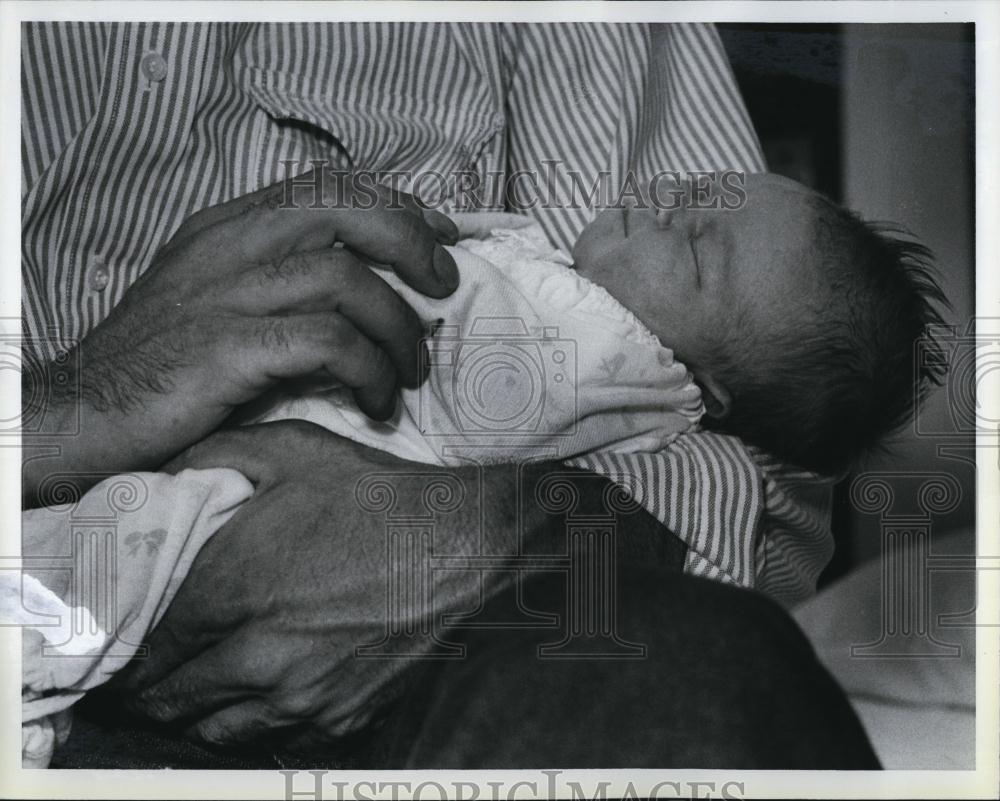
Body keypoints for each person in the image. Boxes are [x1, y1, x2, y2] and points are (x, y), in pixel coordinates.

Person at [19, 21, 880, 767]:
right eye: (679, 205)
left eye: (694, 238)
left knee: (707, 667)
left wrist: (531, 533)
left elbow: (761, 463)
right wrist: (63, 409)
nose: (662, 205)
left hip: (427, 676)